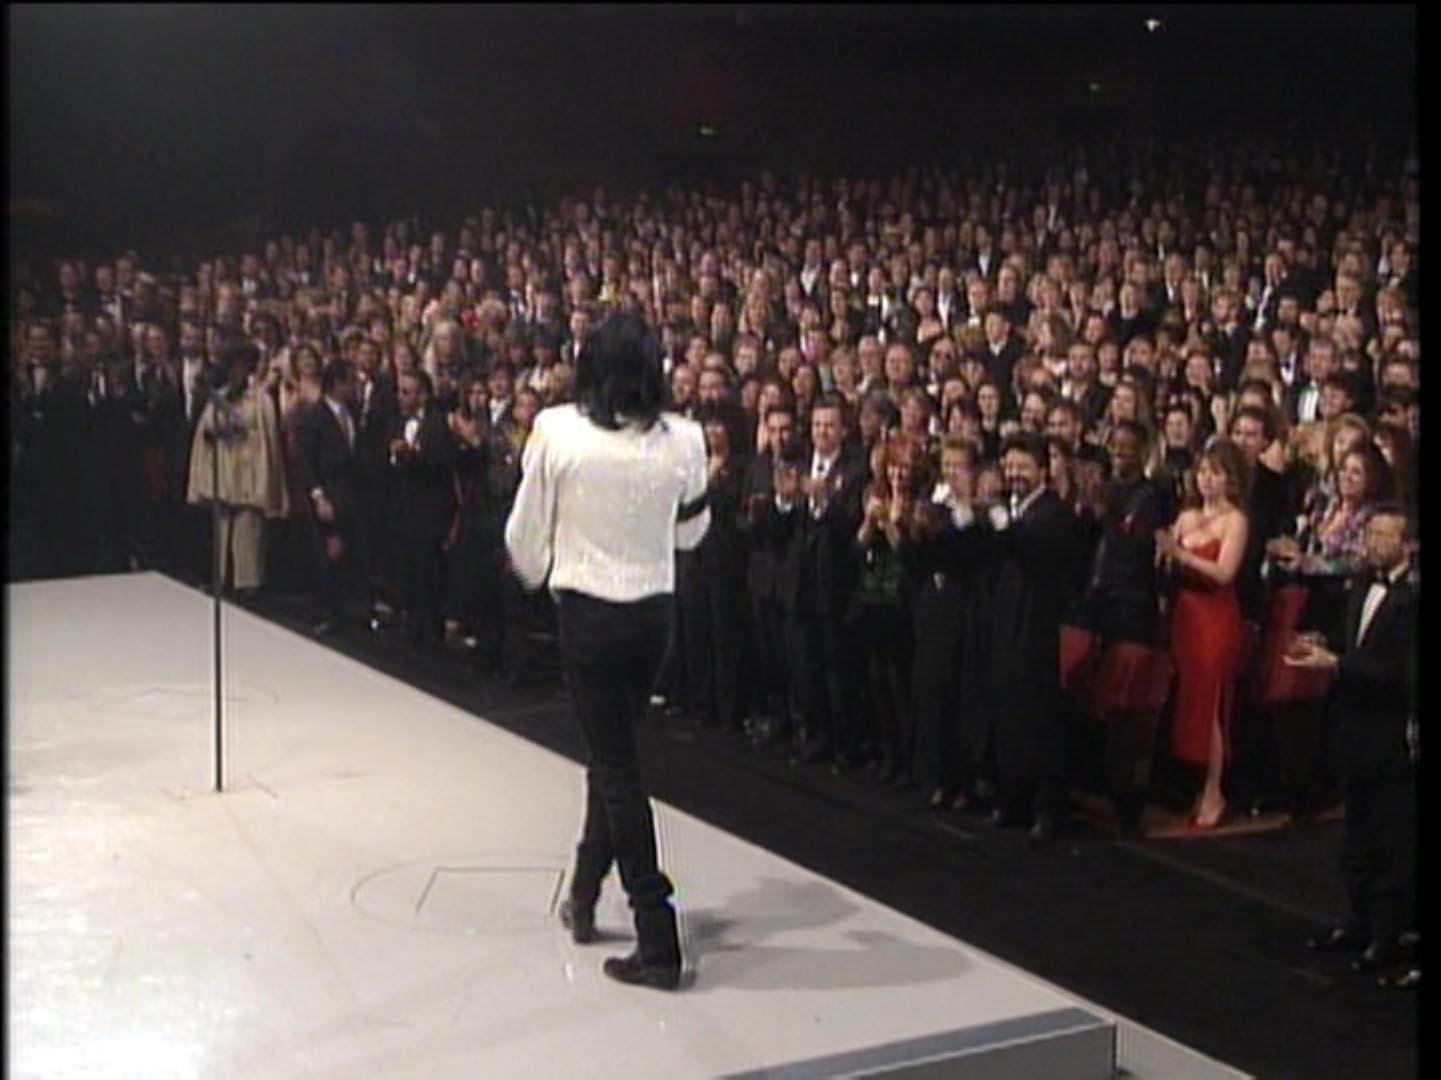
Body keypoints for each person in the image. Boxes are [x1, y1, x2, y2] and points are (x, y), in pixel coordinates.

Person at [505, 312, 709, 991]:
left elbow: (523, 538)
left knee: (617, 768)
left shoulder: (556, 431)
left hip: (589, 614)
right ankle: (585, 893)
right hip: (653, 617)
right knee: (611, 754)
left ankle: (657, 936)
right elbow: (692, 533)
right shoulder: (686, 439)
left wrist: (543, 578)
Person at [1291, 505, 1418, 990]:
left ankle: (1388, 936)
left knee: (1390, 837)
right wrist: (1321, 644)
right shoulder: (1359, 586)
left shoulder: (1411, 600)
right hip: (1352, 726)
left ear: (1408, 545)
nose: (1374, 542)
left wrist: (1338, 664)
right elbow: (1351, 643)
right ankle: (1358, 920)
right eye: (1371, 533)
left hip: (1388, 732)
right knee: (1356, 833)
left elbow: (1400, 674)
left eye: (1385, 534)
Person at [1154, 437, 1250, 829]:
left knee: (1210, 704)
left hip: (1215, 616)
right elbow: (1167, 565)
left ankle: (1215, 791)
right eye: (1203, 472)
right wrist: (1164, 553)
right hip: (1185, 614)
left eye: (1216, 473)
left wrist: (1184, 556)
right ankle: (1192, 787)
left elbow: (1225, 573)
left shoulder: (1235, 520)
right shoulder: (1186, 516)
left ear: (1230, 479)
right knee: (1187, 700)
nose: (1207, 479)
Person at [186, 340, 288, 596]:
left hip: (249, 470)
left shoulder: (261, 399)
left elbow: (267, 439)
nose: (237, 372)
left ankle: (248, 582)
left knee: (248, 528)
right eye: (234, 366)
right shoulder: (220, 397)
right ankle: (221, 578)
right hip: (223, 470)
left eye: (243, 366)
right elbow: (205, 432)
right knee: (221, 527)